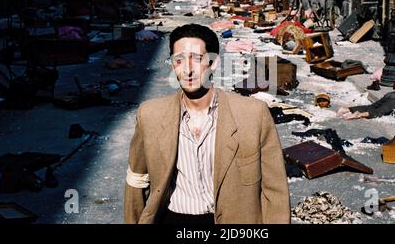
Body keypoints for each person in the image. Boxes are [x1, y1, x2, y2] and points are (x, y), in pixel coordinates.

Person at [124, 24, 290, 224]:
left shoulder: (253, 114)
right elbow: (137, 180)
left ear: (213, 63)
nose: (187, 69)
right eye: (179, 60)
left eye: (196, 58)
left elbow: (275, 189)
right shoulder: (150, 114)